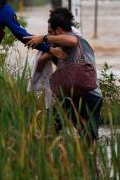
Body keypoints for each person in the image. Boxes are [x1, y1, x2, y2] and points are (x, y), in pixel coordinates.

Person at [24, 8, 103, 143]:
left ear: (59, 31)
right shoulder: (57, 50)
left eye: (50, 32)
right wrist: (47, 54)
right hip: (70, 97)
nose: (49, 35)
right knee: (49, 130)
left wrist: (43, 38)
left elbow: (72, 41)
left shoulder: (77, 39)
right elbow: (41, 65)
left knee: (89, 138)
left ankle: (86, 161)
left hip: (90, 96)